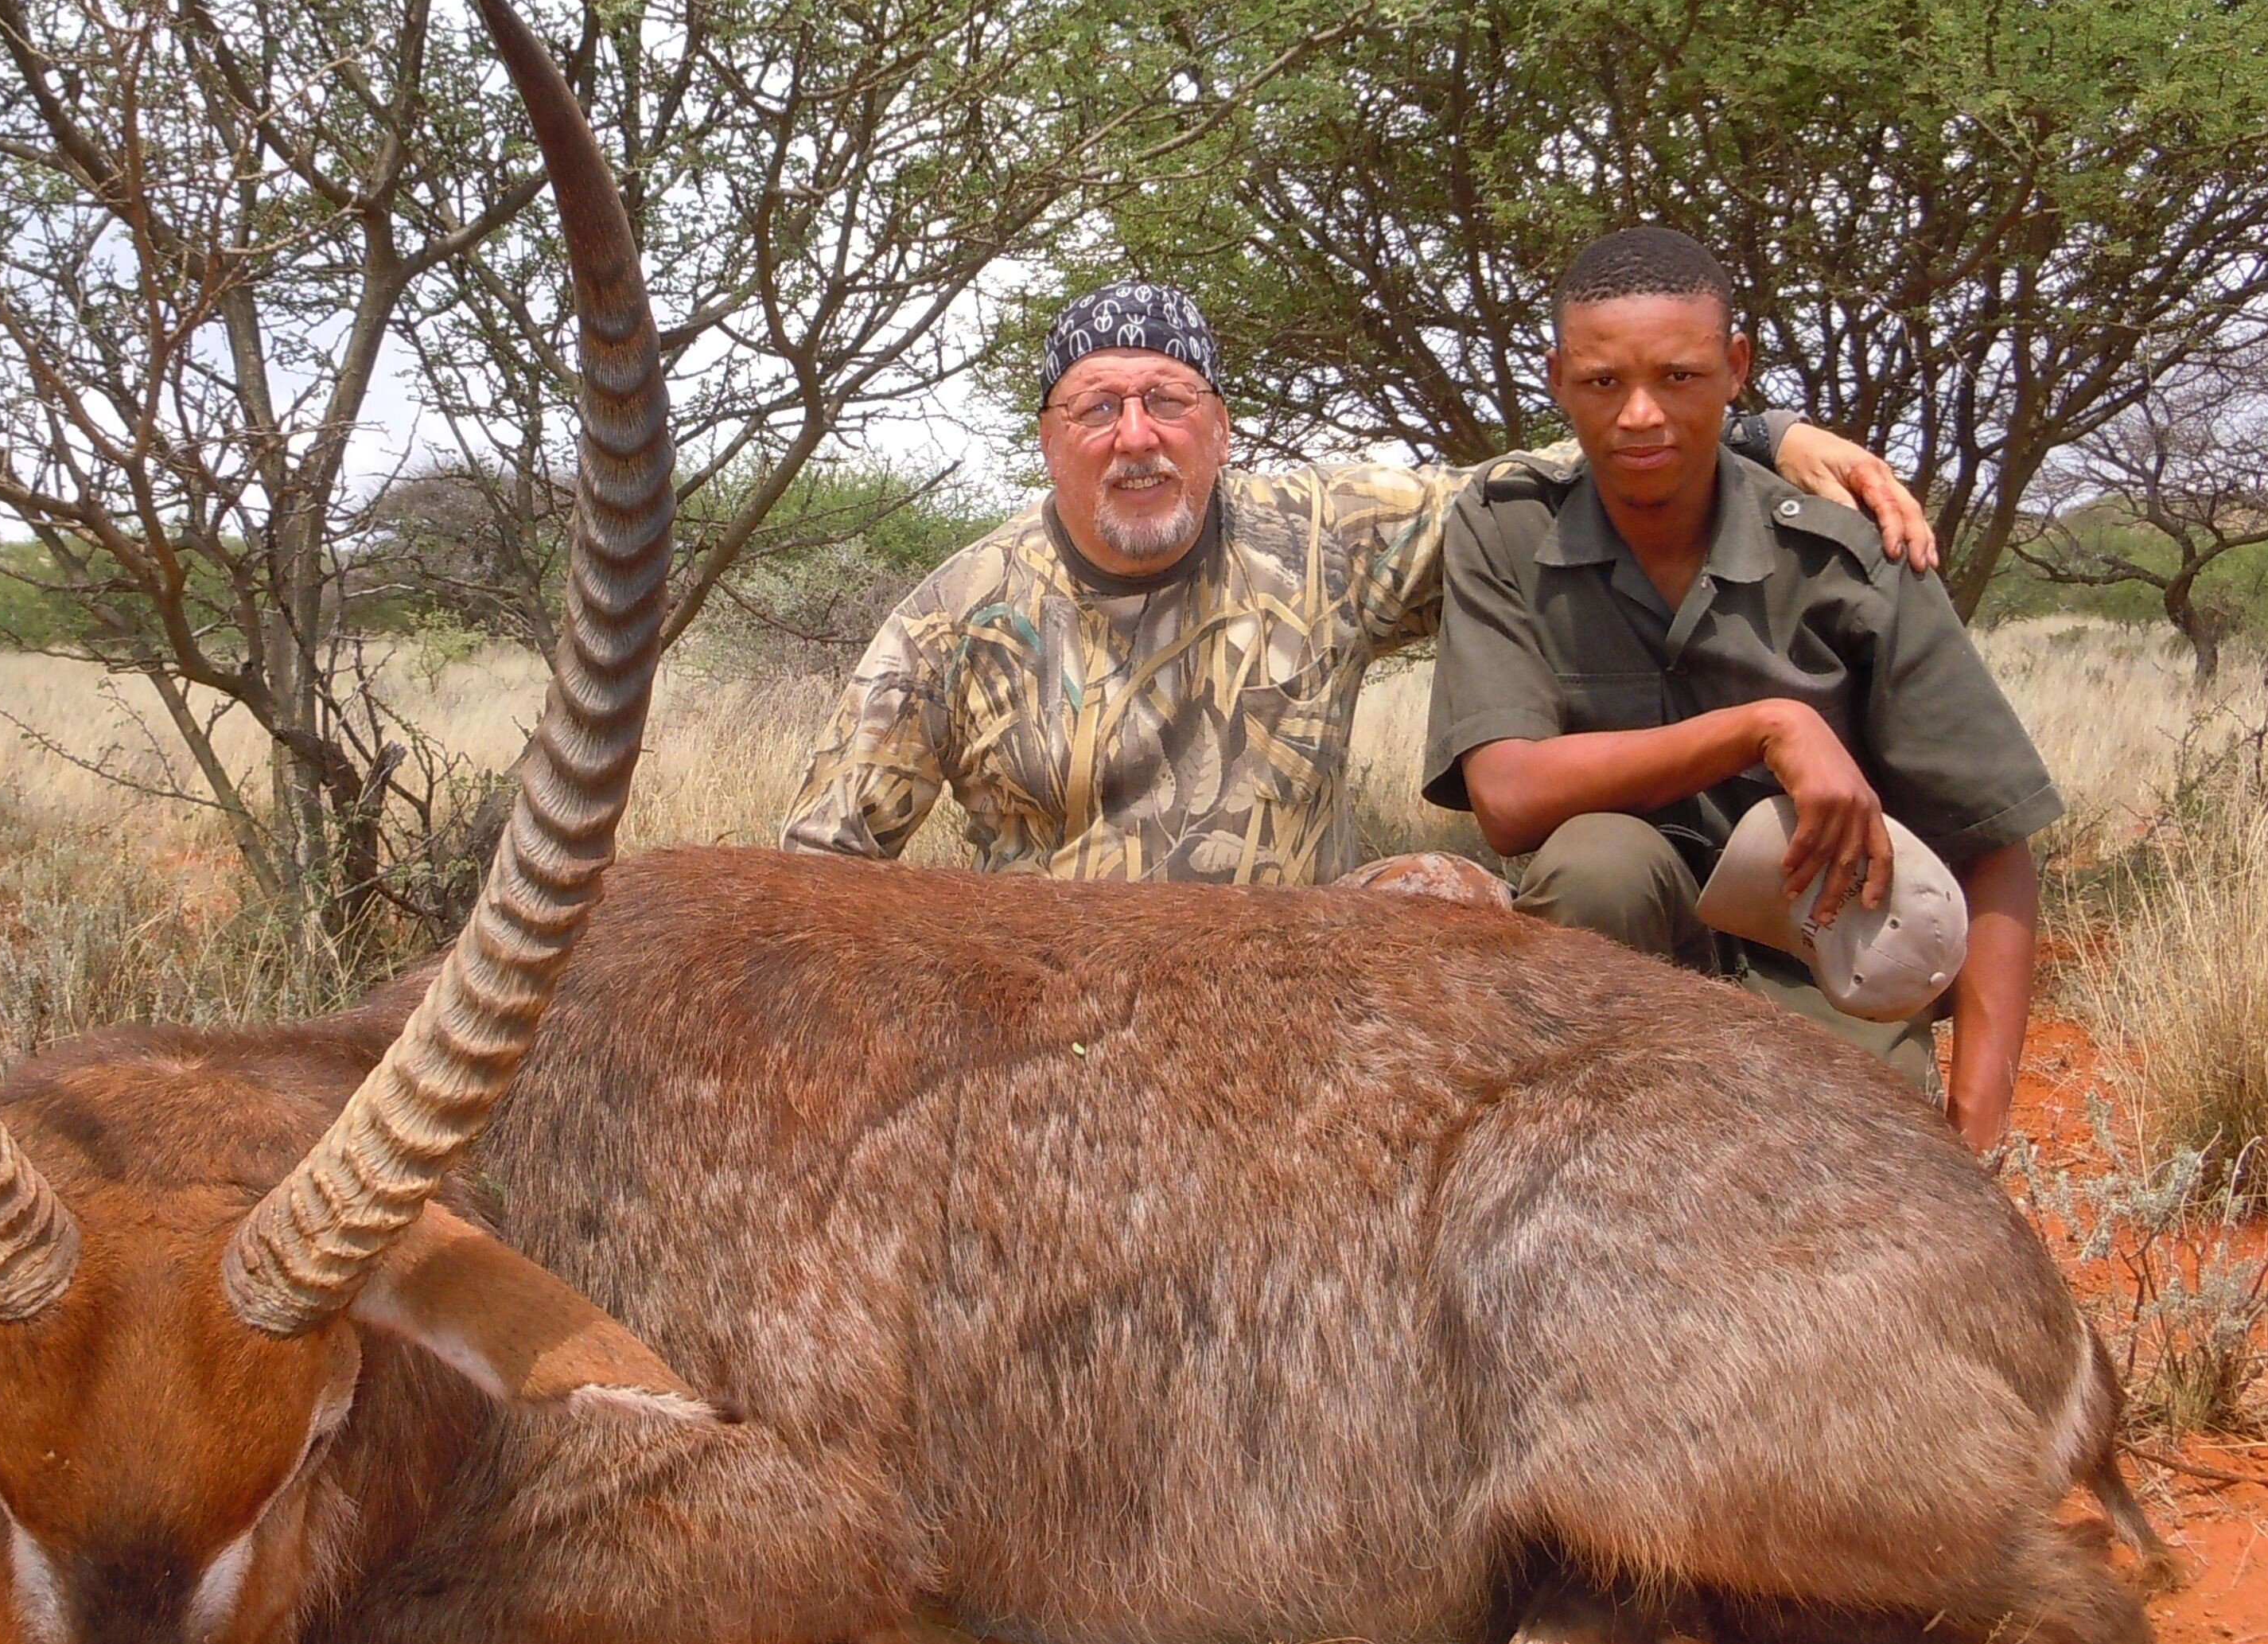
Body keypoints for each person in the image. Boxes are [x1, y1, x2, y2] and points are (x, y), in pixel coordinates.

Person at [780, 275, 1933, 890]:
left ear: (1219, 429)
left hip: (1295, 1008)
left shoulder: (1324, 532)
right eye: (1096, 406)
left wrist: (1757, 433)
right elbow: (816, 874)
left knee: (1446, 902)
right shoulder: (953, 616)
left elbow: (1530, 484)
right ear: (1048, 442)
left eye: (1168, 400)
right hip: (1049, 1029)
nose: (1136, 436)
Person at [1421, 229, 2056, 1147]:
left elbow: (1992, 839)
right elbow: (1511, 800)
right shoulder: (1504, 530)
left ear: (1735, 369)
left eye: (1679, 378)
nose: (1640, 415)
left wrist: (1978, 1127)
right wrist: (1765, 727)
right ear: (1558, 381)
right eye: (1604, 384)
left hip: (1822, 940)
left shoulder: (1853, 545)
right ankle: (1574, 1150)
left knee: (1861, 1182)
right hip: (1614, 957)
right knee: (1597, 860)